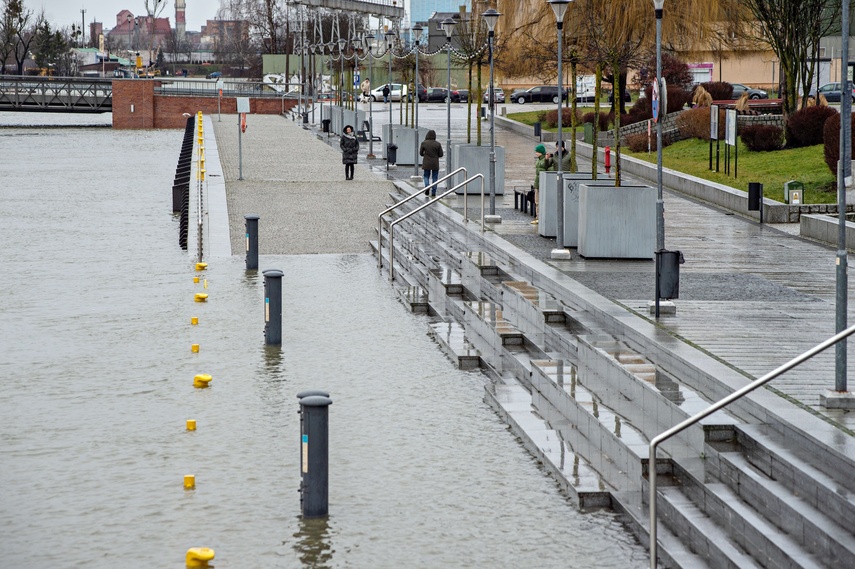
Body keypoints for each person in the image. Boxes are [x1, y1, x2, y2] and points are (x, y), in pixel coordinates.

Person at [531, 143, 551, 225]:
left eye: (537, 151)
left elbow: (546, 166)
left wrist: (546, 159)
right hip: (537, 183)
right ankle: (537, 216)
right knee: (537, 201)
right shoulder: (539, 160)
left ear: (540, 152)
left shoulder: (544, 160)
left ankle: (539, 217)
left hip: (540, 183)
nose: (535, 153)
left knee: (538, 201)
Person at [419, 130, 443, 196]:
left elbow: (421, 153)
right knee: (435, 177)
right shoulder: (438, 144)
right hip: (435, 163)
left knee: (426, 176)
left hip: (426, 162)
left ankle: (427, 186)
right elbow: (441, 154)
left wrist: (425, 154)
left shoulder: (424, 143)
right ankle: (433, 192)